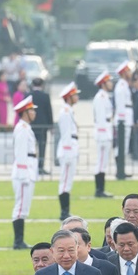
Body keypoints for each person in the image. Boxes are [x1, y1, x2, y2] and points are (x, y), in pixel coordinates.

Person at [11, 96, 38, 249]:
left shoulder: (25, 127)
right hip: (23, 172)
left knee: (24, 207)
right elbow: (20, 153)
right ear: (25, 112)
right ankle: (18, 241)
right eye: (31, 110)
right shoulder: (22, 129)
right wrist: (24, 175)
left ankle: (20, 240)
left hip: (28, 169)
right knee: (20, 207)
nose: (34, 113)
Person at [57, 82, 80, 220]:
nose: (77, 97)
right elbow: (65, 134)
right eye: (75, 95)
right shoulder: (65, 112)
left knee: (68, 181)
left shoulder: (69, 110)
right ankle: (64, 212)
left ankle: (66, 211)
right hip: (67, 150)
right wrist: (68, 152)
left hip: (71, 148)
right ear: (69, 97)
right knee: (65, 182)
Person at [93, 72, 115, 198]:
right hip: (103, 133)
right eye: (108, 81)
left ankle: (101, 189)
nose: (111, 83)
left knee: (103, 162)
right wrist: (103, 135)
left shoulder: (104, 96)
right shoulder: (101, 97)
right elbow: (101, 117)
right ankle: (99, 189)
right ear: (103, 84)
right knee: (101, 162)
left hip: (106, 131)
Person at [30, 77, 53, 175]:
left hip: (31, 125)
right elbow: (49, 111)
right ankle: (40, 166)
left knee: (30, 147)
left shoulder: (28, 95)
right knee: (42, 146)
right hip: (43, 125)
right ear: (42, 85)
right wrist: (51, 125)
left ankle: (31, 166)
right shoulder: (45, 96)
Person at [114, 61, 135, 159]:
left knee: (125, 143)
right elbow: (120, 103)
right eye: (128, 71)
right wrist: (121, 119)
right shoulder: (121, 85)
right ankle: (120, 167)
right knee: (122, 143)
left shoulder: (125, 84)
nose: (130, 73)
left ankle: (121, 163)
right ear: (123, 73)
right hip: (124, 116)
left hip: (127, 114)